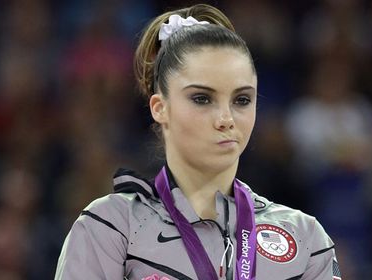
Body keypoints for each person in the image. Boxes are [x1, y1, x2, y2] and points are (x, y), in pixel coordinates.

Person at [54, 4, 341, 280]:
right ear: (160, 108)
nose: (226, 118)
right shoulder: (111, 227)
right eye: (202, 98)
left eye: (242, 100)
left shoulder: (305, 238)